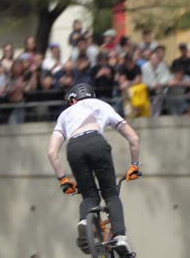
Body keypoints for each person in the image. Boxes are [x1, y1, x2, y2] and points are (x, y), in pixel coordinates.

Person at [47, 83, 140, 258]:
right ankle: (120, 238)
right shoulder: (102, 105)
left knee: (89, 196)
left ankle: (84, 221)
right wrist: (134, 165)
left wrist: (63, 180)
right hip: (97, 143)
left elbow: (52, 152)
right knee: (111, 194)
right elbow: (133, 138)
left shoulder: (65, 114)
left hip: (73, 148)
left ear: (73, 100)